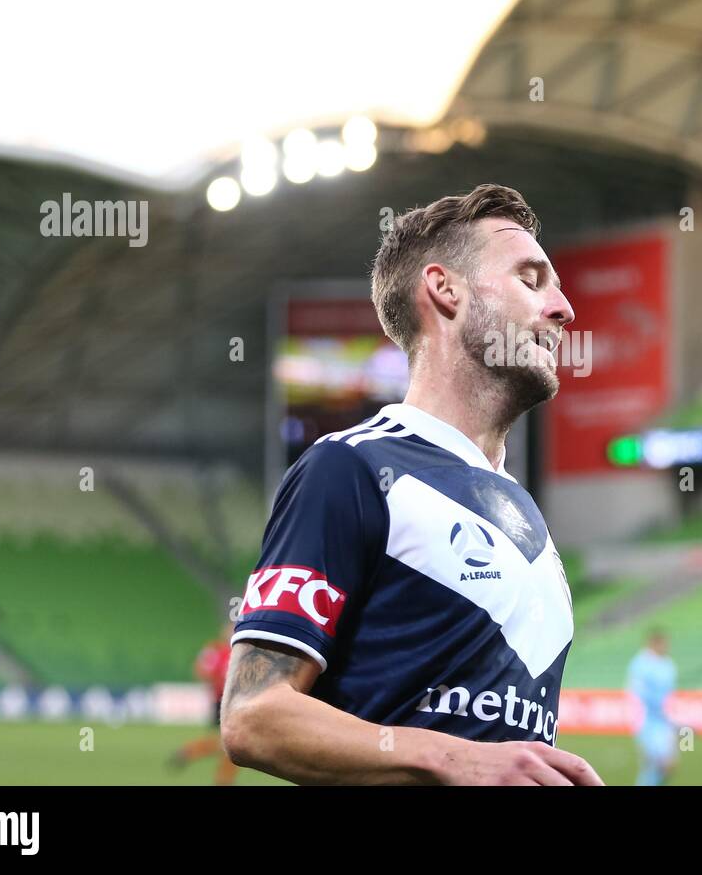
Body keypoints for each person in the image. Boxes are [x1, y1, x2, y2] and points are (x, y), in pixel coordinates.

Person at [221, 184, 603, 785]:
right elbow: (253, 715)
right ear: (444, 289)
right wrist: (456, 758)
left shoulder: (525, 513)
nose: (564, 308)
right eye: (532, 280)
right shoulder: (350, 470)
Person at [168, 623, 238, 785]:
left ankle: (190, 753)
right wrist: (217, 684)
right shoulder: (216, 650)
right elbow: (201, 670)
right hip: (222, 702)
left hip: (234, 702)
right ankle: (192, 753)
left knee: (229, 742)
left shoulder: (239, 650)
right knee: (230, 742)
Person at [627, 628, 678, 786]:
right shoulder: (641, 664)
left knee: (668, 765)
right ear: (653, 643)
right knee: (656, 763)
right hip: (646, 720)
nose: (666, 646)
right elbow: (636, 693)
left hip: (663, 722)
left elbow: (669, 695)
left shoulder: (668, 665)